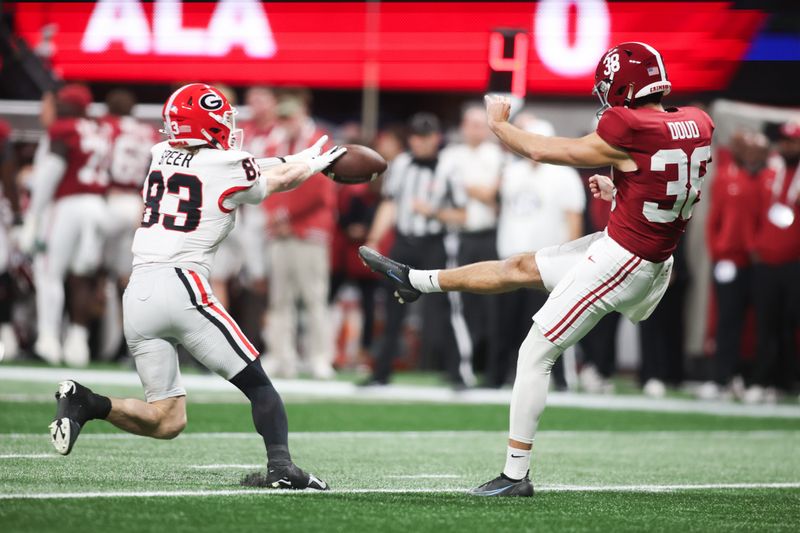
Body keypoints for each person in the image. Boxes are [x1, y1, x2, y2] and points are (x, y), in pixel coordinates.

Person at [360, 42, 714, 496]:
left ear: (623, 87)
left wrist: (499, 126)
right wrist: (623, 189)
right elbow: (665, 181)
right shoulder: (696, 122)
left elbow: (545, 150)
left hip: (624, 259)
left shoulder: (630, 126)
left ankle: (514, 475)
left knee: (534, 353)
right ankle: (415, 282)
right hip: (645, 253)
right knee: (520, 266)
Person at [49, 83, 344, 490]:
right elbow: (276, 180)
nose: (229, 127)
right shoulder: (225, 164)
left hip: (139, 293)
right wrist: (311, 165)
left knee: (167, 419)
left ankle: (86, 403)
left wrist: (299, 156)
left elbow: (246, 165)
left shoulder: (160, 154)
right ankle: (282, 467)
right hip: (182, 286)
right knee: (259, 385)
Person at [361, 112, 472, 388]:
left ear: (436, 138)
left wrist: (433, 212)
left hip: (435, 243)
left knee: (444, 307)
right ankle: (381, 372)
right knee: (392, 306)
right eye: (416, 137)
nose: (420, 142)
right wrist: (374, 238)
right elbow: (389, 203)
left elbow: (462, 215)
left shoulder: (449, 167)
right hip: (403, 242)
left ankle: (458, 372)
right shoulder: (400, 164)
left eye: (425, 137)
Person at [18, 84, 113, 366]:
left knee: (49, 272)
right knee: (82, 277)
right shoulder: (99, 129)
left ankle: (48, 341)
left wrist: (32, 217)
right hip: (98, 205)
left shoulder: (63, 128)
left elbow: (52, 173)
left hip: (67, 205)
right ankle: (78, 344)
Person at [488, 116, 585, 388]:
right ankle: (497, 377)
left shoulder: (564, 174)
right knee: (505, 322)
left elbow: (573, 219)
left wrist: (571, 263)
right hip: (510, 258)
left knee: (549, 324)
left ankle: (562, 379)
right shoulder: (511, 172)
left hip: (547, 262)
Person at [262, 94, 337, 379]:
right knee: (279, 298)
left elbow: (318, 189)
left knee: (313, 296)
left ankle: (320, 356)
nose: (286, 122)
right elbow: (264, 180)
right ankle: (281, 355)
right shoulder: (275, 143)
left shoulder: (318, 142)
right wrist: (275, 215)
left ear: (303, 114)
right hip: (282, 231)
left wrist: (286, 217)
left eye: (290, 116)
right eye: (282, 117)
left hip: (309, 230)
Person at [698, 131, 765, 400]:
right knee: (727, 320)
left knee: (758, 324)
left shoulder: (766, 178)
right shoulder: (726, 177)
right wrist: (719, 253)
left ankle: (749, 378)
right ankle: (721, 377)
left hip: (760, 262)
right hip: (730, 260)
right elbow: (714, 220)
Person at [444, 104, 504, 371]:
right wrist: (476, 190)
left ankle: (491, 367)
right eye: (471, 125)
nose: (476, 130)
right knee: (461, 302)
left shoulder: (496, 155)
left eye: (480, 125)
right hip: (460, 235)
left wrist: (465, 186)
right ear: (463, 127)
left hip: (491, 235)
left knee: (493, 303)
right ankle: (460, 366)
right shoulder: (451, 155)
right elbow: (442, 193)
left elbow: (492, 195)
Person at [745, 121, 800, 403]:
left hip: (795, 263)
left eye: (793, 141)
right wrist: (754, 246)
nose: (788, 146)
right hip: (766, 262)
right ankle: (762, 379)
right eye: (785, 141)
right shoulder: (769, 174)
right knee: (765, 324)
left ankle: (788, 381)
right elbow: (752, 213)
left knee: (791, 324)